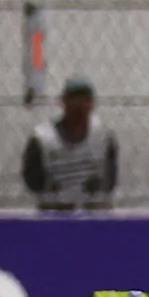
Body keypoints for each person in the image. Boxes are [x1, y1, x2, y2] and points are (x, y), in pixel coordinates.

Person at [25, 76, 118, 210]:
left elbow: (110, 177)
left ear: (92, 103)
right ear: (63, 102)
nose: (79, 105)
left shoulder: (103, 137)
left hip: (94, 212)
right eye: (74, 99)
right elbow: (33, 179)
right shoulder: (43, 138)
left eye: (85, 100)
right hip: (54, 212)